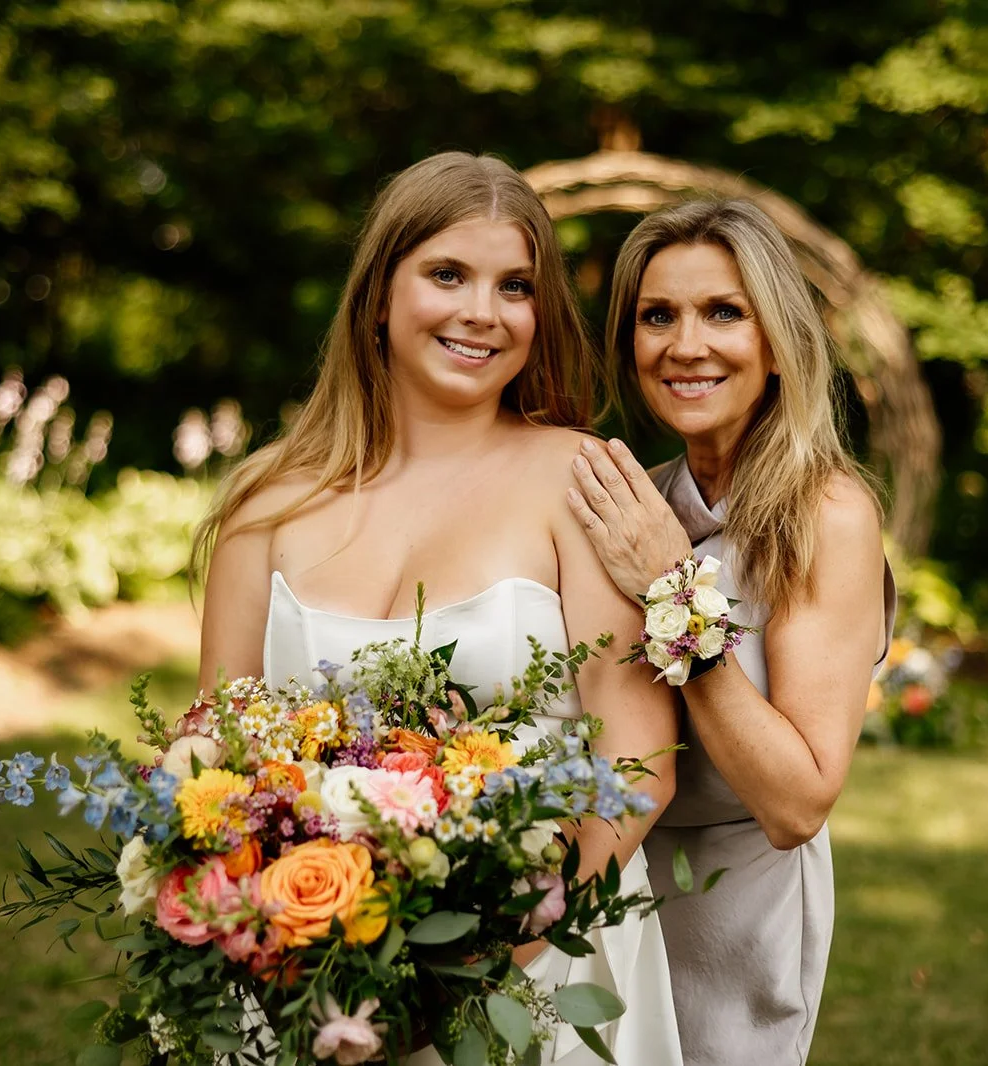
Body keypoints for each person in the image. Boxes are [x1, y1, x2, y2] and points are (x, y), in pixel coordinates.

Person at [194, 152, 683, 1064]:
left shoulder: (584, 481)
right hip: (306, 972)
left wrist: (493, 961)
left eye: (515, 287)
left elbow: (642, 767)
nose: (481, 313)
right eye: (447, 274)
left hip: (536, 973)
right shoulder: (267, 500)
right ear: (379, 293)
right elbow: (215, 746)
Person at [564, 198, 896, 1065]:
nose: (686, 344)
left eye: (723, 312)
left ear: (780, 342)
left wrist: (672, 591)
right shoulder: (635, 499)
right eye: (656, 316)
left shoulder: (827, 515)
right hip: (606, 884)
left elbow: (796, 802)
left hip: (734, 920)